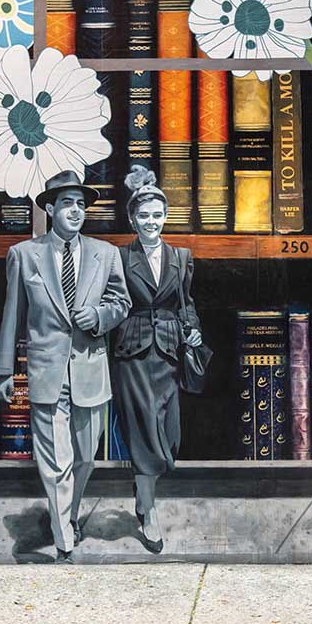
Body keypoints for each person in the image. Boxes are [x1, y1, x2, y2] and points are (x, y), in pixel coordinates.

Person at [0, 171, 132, 561]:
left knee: (85, 457)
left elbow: (121, 303)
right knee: (57, 461)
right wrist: (5, 371)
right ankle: (63, 537)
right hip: (46, 373)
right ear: (50, 208)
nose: (77, 211)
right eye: (69, 203)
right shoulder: (25, 255)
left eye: (82, 205)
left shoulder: (106, 254)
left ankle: (66, 516)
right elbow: (12, 316)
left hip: (90, 370)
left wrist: (100, 316)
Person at [110, 166, 204, 554]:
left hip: (169, 350)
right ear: (132, 219)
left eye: (157, 216)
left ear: (166, 217)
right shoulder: (119, 257)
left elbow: (187, 303)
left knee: (169, 433)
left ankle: (142, 489)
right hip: (131, 351)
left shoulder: (181, 257)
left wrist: (193, 329)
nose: (151, 222)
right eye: (143, 216)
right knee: (144, 428)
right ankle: (148, 512)